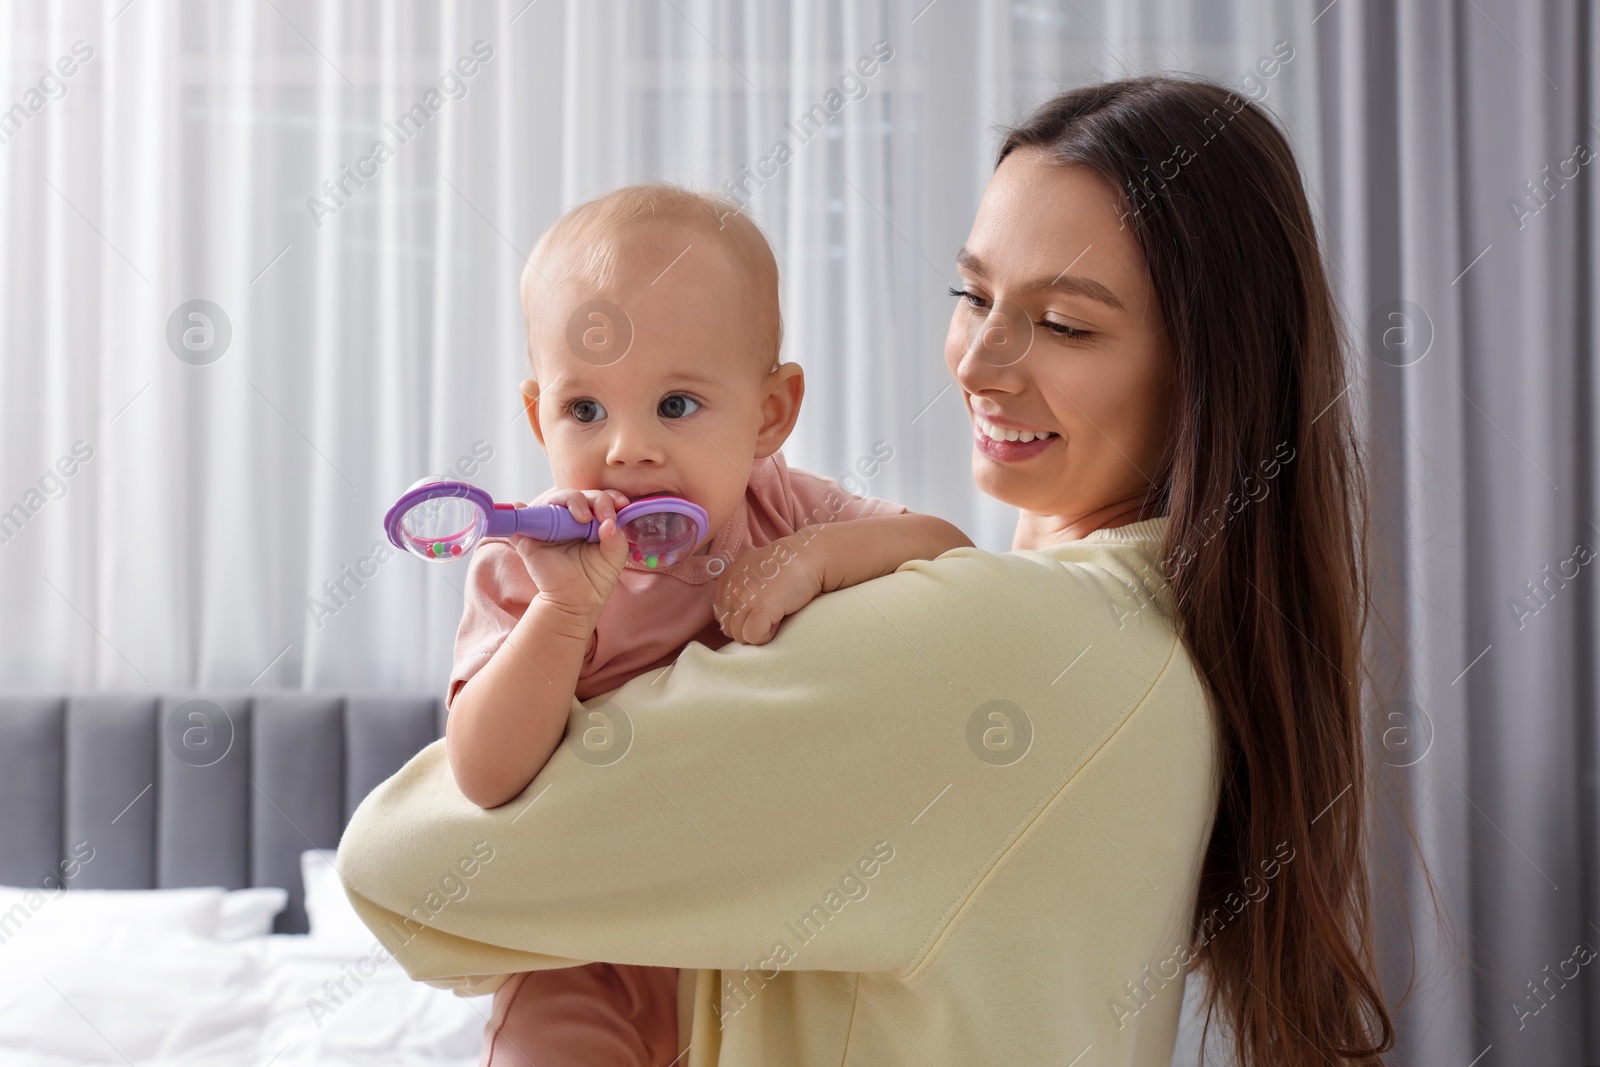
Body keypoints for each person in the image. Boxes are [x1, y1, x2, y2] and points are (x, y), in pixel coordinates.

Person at [337, 75, 1396, 1066]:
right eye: (971, 294)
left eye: (1065, 323)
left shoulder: (999, 638)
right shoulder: (1149, 651)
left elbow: (406, 865)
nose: (978, 362)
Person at [448, 183, 972, 1066]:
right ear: (540, 418)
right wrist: (564, 612)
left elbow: (950, 555)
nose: (627, 448)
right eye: (586, 410)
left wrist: (818, 559)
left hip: (762, 948)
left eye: (677, 405)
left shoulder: (794, 512)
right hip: (581, 954)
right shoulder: (527, 564)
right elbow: (483, 774)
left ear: (770, 415)